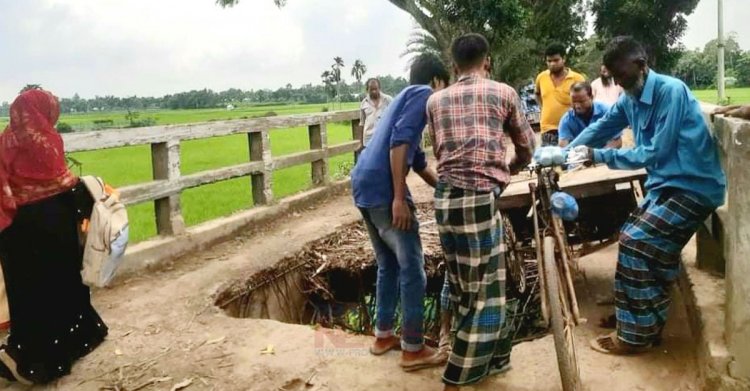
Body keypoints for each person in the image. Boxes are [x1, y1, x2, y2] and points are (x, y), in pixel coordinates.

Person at [565, 36, 726, 355]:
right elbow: (601, 127)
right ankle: (636, 318)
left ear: (641, 65)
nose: (620, 84)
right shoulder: (629, 98)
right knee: (630, 236)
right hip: (666, 186)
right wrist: (566, 153)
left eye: (622, 76)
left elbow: (657, 152)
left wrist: (599, 157)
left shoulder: (671, 90)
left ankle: (636, 335)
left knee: (639, 244)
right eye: (613, 78)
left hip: (694, 187)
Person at [427, 33, 535, 390]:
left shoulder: (435, 102)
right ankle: (460, 375)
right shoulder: (504, 93)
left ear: (454, 64)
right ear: (487, 60)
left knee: (460, 283)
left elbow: (440, 148)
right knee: (487, 289)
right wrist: (512, 168)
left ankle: (496, 358)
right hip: (478, 198)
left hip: (444, 200)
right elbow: (525, 146)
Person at [0, 88, 108, 384]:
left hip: (17, 230)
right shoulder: (48, 141)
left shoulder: (5, 142)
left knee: (30, 293)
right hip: (54, 223)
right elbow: (62, 180)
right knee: (62, 284)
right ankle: (72, 344)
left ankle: (36, 356)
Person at [350, 53, 450, 372]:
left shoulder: (402, 99)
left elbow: (417, 159)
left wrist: (444, 189)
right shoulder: (423, 95)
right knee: (413, 269)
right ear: (436, 82)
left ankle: (383, 336)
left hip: (363, 184)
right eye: (443, 90)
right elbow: (399, 143)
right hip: (383, 189)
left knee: (387, 264)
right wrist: (398, 198)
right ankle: (413, 349)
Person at [535, 43, 585, 146]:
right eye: (549, 61)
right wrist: (543, 108)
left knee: (573, 160)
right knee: (549, 160)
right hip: (548, 130)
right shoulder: (541, 77)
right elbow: (537, 94)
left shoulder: (577, 79)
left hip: (572, 128)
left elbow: (586, 102)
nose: (552, 64)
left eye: (556, 60)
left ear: (564, 59)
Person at [558, 81, 622, 148]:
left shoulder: (607, 112)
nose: (577, 106)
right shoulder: (567, 120)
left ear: (591, 97)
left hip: (603, 154)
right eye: (574, 102)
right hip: (578, 156)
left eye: (581, 101)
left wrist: (599, 155)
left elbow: (617, 141)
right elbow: (564, 146)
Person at [359, 78, 393, 147]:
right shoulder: (364, 103)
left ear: (379, 88)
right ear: (367, 90)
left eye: (376, 89)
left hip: (384, 138)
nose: (374, 91)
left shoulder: (388, 100)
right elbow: (362, 123)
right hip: (369, 139)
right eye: (371, 89)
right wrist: (361, 143)